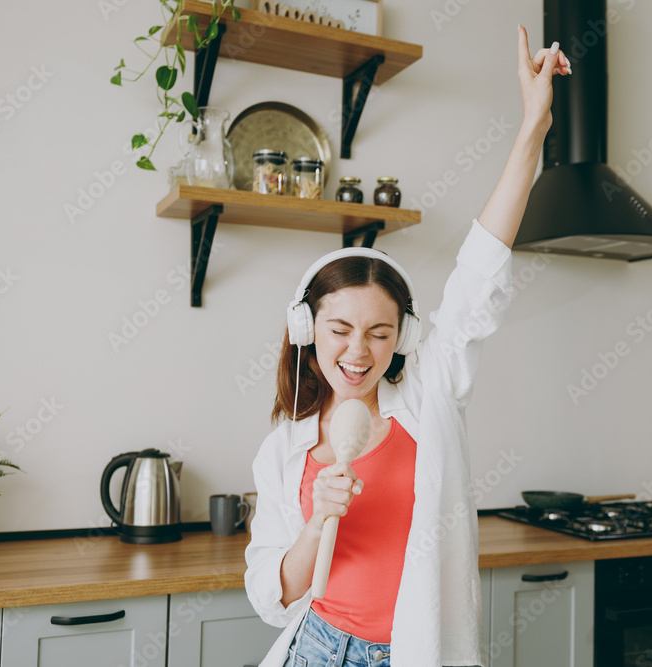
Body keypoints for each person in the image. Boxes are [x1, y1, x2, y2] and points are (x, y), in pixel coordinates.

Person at [245, 26, 571, 667]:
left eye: (380, 333)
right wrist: (316, 524)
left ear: (405, 338)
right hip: (316, 650)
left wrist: (534, 125)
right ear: (307, 330)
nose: (358, 352)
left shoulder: (430, 393)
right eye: (339, 330)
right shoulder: (283, 449)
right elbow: (271, 595)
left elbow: (480, 271)